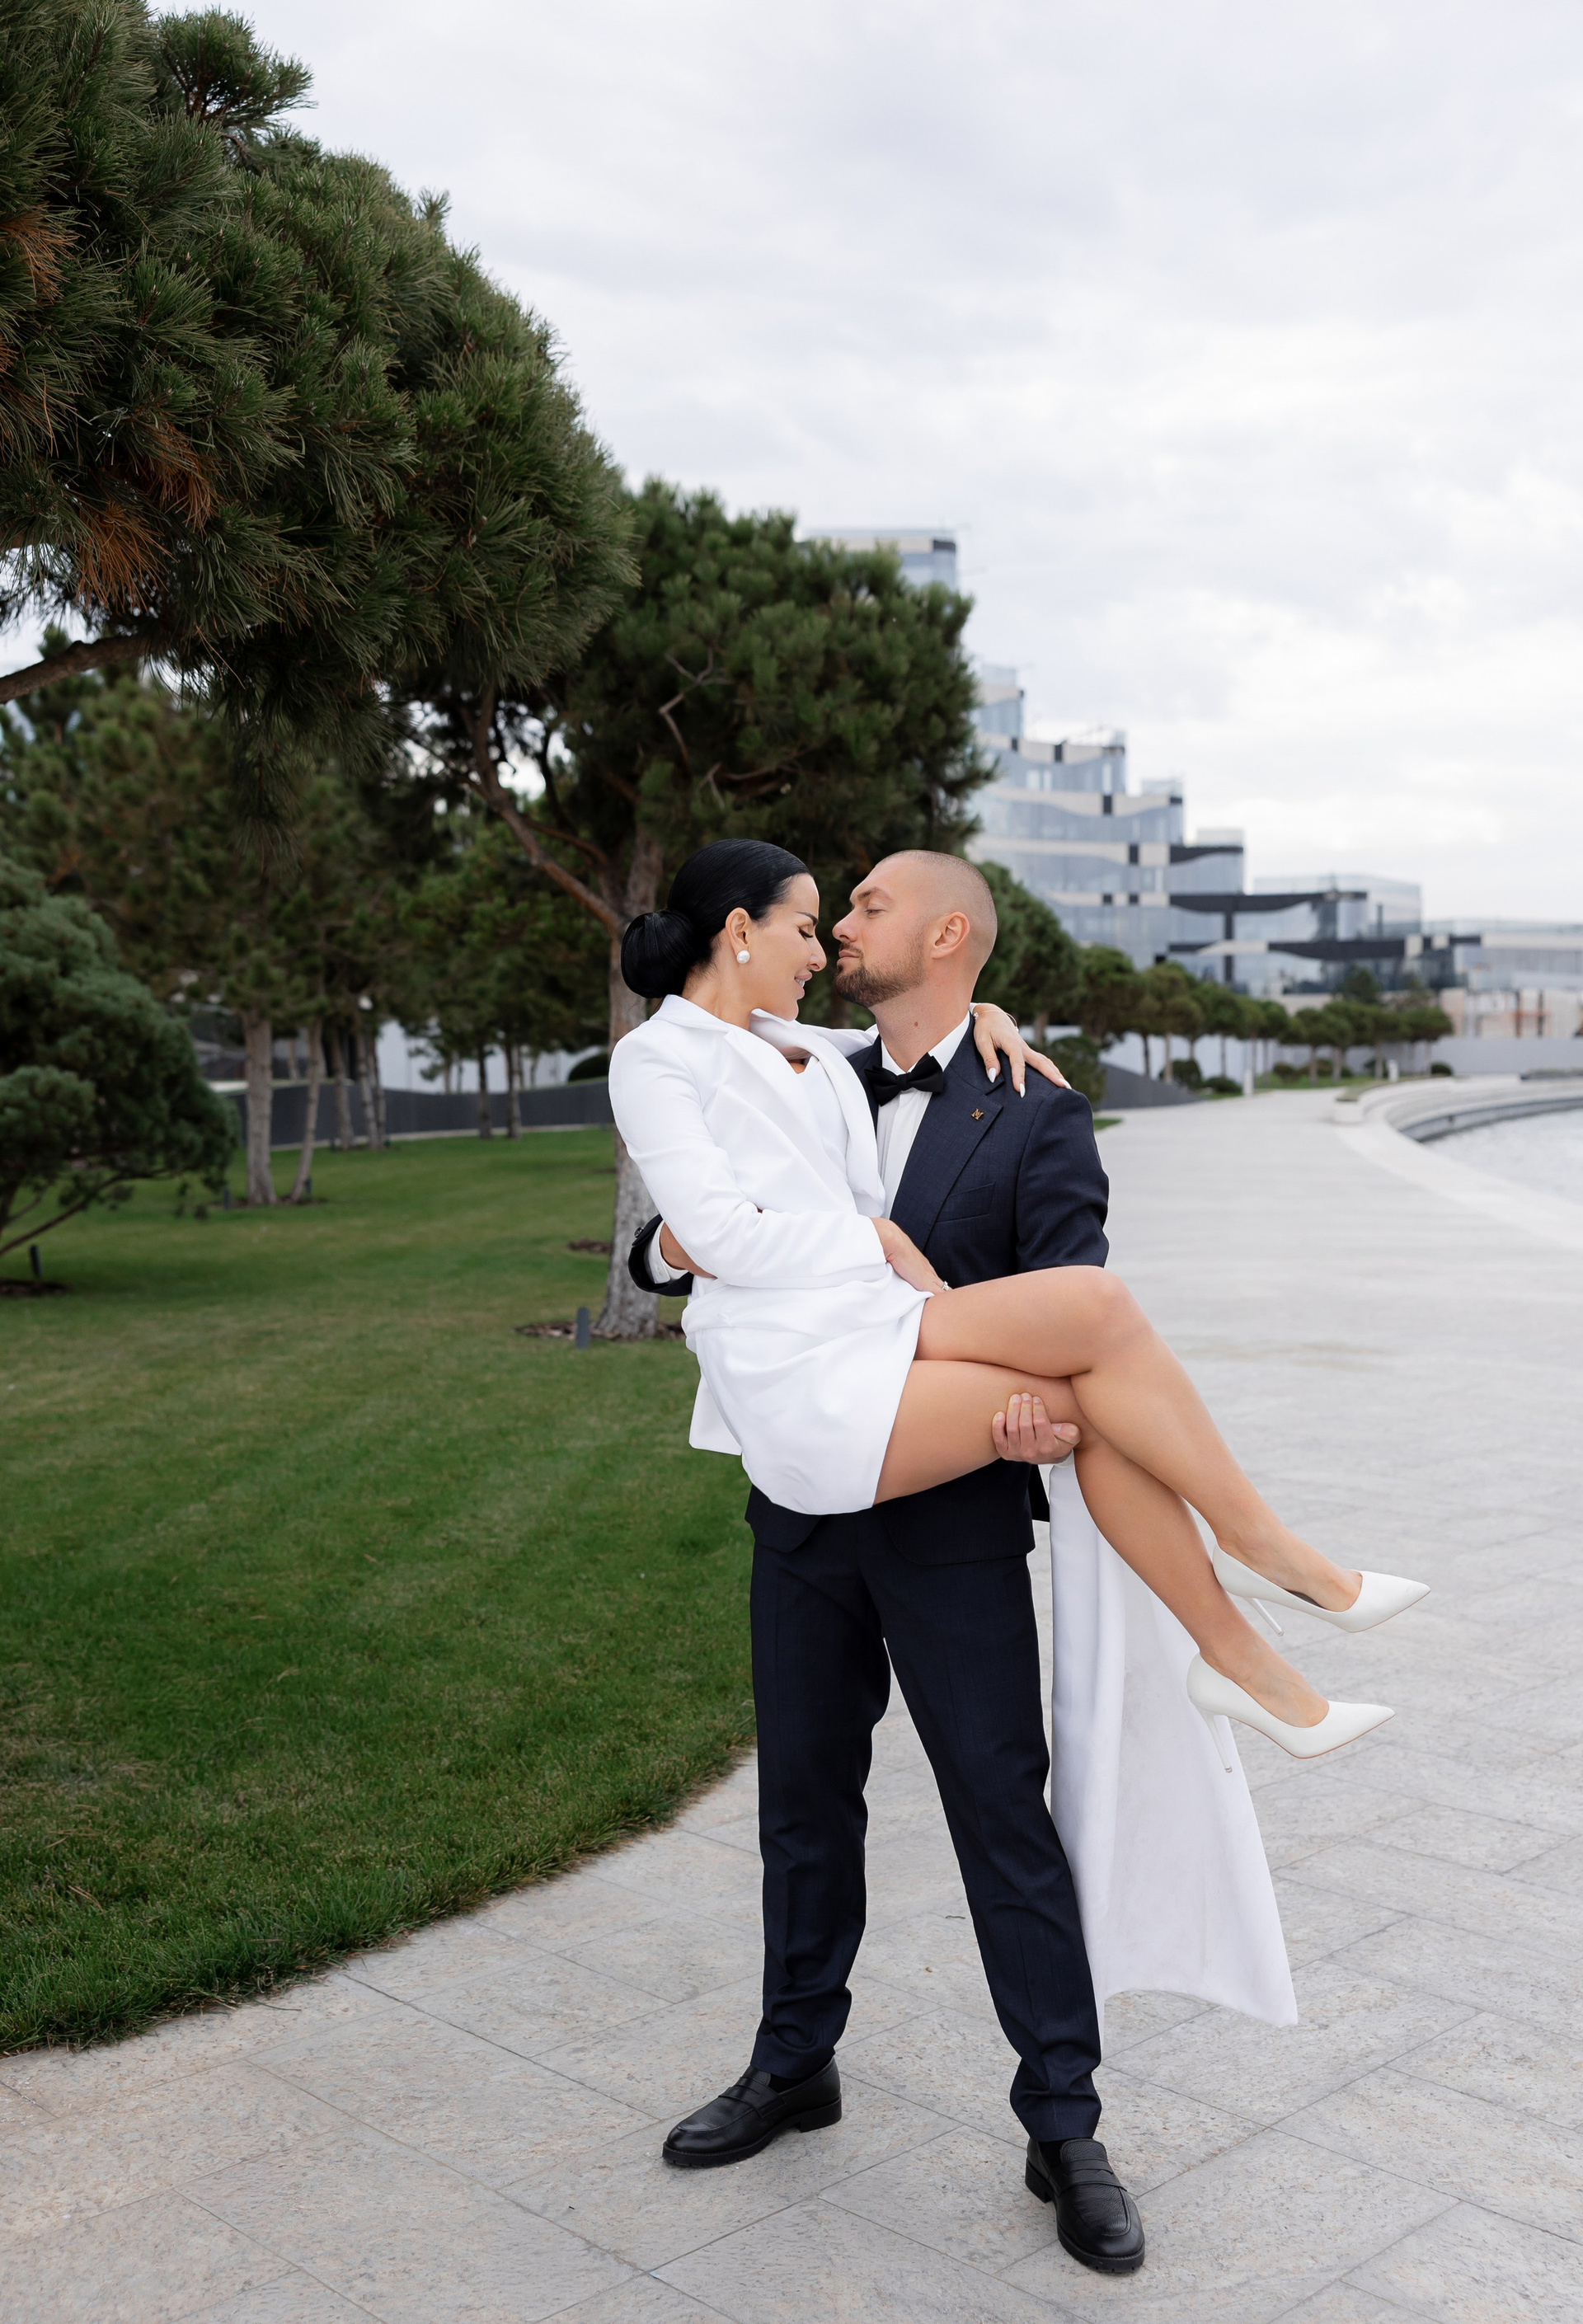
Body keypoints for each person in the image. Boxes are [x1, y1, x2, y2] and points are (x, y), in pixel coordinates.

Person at [614, 839, 1426, 2277]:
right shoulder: (811, 1063)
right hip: (804, 1504)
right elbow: (691, 1219)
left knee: (1005, 1817)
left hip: (953, 1510)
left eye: (869, 908)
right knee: (804, 1804)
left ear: (949, 940)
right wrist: (677, 1257)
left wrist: (1032, 1419)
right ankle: (794, 2062)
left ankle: (1065, 2124)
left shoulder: (1034, 1103)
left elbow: (1070, 1293)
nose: (840, 930)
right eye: (826, 913)